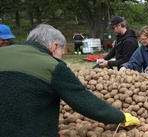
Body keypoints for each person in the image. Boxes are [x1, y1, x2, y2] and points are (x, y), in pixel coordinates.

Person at [0, 24, 140, 136]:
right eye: (62, 52)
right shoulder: (53, 66)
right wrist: (120, 117)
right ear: (54, 46)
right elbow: (85, 102)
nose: (62, 57)